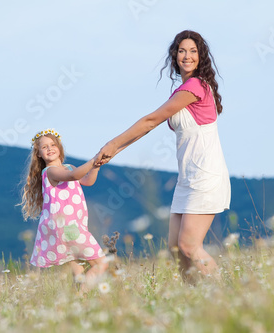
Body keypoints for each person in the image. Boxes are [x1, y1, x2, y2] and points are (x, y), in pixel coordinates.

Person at [96, 30, 231, 280]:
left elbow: (151, 120)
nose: (187, 56)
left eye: (193, 51)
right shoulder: (181, 90)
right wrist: (114, 151)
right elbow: (147, 129)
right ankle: (194, 299)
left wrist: (113, 143)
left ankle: (225, 295)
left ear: (201, 56)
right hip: (187, 178)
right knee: (176, 249)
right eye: (182, 51)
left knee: (190, 246)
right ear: (174, 55)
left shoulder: (196, 86)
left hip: (205, 173)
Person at [20, 128, 108, 291]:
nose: (49, 149)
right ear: (38, 153)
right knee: (101, 263)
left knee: (79, 271)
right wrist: (94, 158)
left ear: (59, 147)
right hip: (68, 226)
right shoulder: (51, 171)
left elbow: (87, 181)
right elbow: (74, 176)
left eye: (53, 145)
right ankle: (81, 298)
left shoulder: (68, 167)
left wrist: (96, 165)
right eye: (44, 147)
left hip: (66, 227)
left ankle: (77, 299)